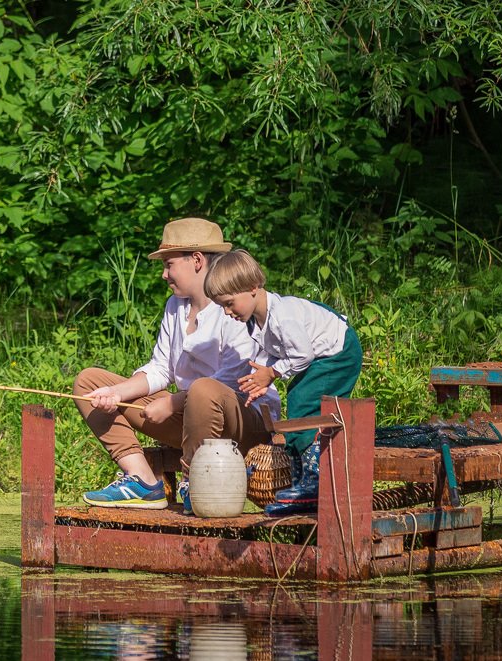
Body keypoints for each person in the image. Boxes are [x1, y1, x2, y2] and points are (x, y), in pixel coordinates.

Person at [73, 218, 281, 515]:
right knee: (89, 382)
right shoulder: (175, 306)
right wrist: (116, 393)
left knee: (203, 389)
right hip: (190, 421)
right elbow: (161, 368)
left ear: (196, 260)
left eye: (169, 264)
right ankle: (143, 481)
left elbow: (232, 380)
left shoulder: (235, 305)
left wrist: (172, 402)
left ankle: (194, 481)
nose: (164, 274)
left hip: (242, 424)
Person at [203, 248, 362, 515]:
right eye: (222, 307)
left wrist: (272, 373)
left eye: (229, 303)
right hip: (320, 356)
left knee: (305, 403)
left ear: (253, 287)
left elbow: (302, 354)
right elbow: (275, 353)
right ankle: (301, 479)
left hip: (338, 351)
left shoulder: (282, 316)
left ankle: (314, 480)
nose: (227, 312)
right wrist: (261, 381)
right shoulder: (256, 321)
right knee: (299, 397)